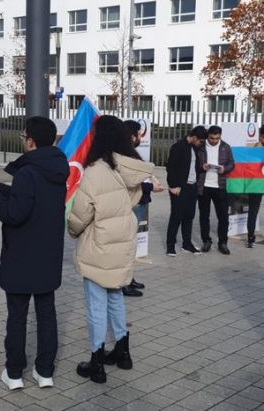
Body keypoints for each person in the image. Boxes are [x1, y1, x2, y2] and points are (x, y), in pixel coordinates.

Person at [0, 117, 69, 389]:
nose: (22, 141)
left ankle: (15, 373)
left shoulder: (28, 172)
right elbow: (32, 197)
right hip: (48, 256)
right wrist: (0, 188)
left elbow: (13, 214)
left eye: (23, 137)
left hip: (21, 256)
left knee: (17, 316)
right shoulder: (57, 168)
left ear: (30, 141)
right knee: (47, 314)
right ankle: (45, 372)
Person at [68, 115, 155, 384]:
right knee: (115, 296)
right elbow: (135, 199)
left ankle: (96, 361)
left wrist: (72, 229)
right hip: (122, 241)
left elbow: (81, 215)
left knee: (96, 304)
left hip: (99, 244)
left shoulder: (95, 171)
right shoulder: (128, 169)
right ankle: (122, 350)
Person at [121, 120, 164, 297]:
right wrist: (150, 187)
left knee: (132, 244)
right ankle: (123, 282)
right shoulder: (124, 155)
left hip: (140, 201)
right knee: (127, 244)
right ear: (132, 136)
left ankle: (129, 278)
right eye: (139, 134)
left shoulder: (131, 153)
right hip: (132, 203)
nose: (141, 137)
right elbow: (129, 183)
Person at [165, 126, 208, 256]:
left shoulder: (195, 148)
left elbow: (192, 168)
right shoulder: (178, 147)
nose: (202, 144)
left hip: (192, 187)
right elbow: (170, 168)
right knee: (176, 217)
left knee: (189, 216)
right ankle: (170, 245)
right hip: (179, 188)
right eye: (201, 141)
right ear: (194, 137)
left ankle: (187, 244)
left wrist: (202, 168)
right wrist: (173, 186)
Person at [197, 125, 235, 255]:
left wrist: (225, 169)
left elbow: (232, 163)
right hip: (204, 186)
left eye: (216, 138)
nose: (214, 141)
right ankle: (206, 241)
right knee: (204, 216)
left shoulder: (225, 147)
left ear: (220, 136)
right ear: (208, 136)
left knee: (223, 216)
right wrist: (201, 166)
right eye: (212, 138)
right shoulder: (200, 146)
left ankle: (223, 243)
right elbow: (195, 163)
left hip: (220, 186)